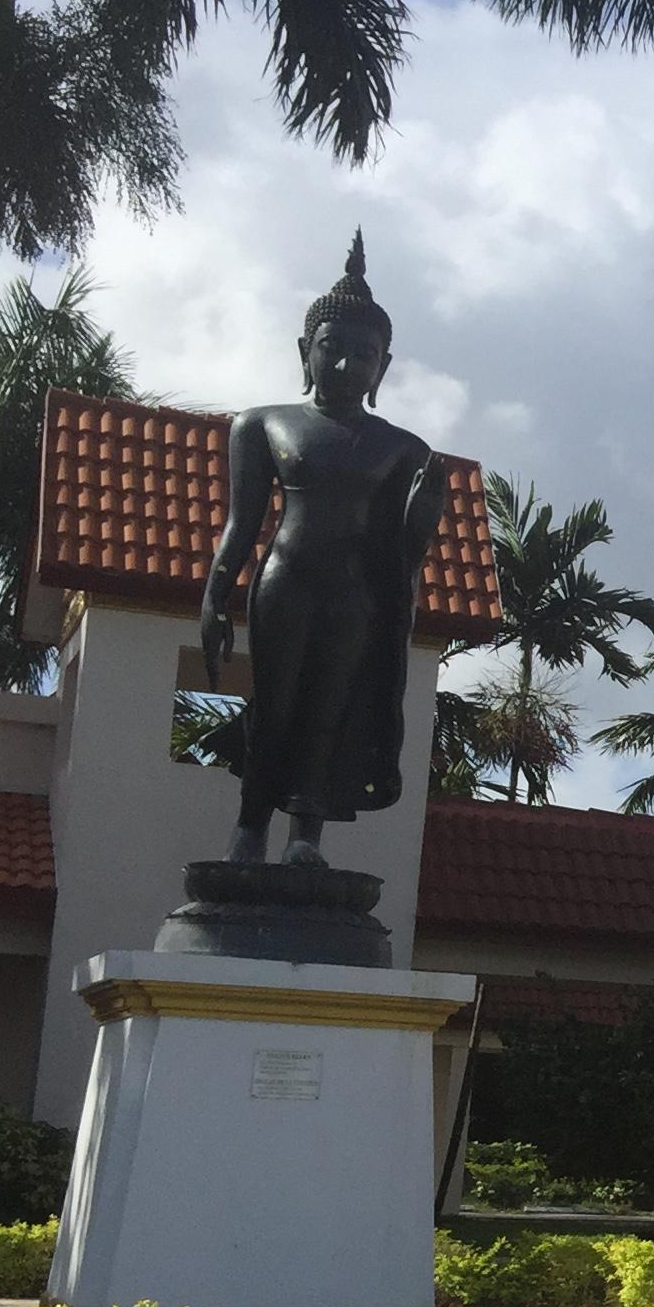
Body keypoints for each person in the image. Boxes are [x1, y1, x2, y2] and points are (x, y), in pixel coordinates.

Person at [197, 234, 444, 866]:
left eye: (364, 355)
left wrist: (421, 520)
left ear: (383, 366)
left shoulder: (403, 449)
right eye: (332, 349)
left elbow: (401, 554)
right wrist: (215, 596)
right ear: (305, 350)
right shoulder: (261, 424)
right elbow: (243, 521)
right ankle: (250, 826)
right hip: (287, 578)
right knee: (274, 702)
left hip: (355, 593)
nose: (345, 366)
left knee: (330, 709)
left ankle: (306, 833)